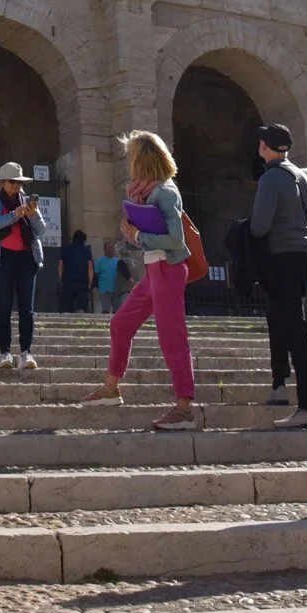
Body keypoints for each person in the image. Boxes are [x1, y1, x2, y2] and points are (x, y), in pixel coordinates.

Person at [78, 130, 199, 432]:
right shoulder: (145, 191)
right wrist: (131, 233)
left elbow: (174, 238)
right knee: (119, 324)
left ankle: (184, 409)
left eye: (131, 155)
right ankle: (111, 388)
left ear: (142, 159)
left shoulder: (166, 193)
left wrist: (138, 235)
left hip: (168, 271)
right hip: (154, 271)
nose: (128, 161)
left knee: (172, 338)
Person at [250, 123, 307, 429]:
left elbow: (259, 227)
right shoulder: (303, 177)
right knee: (292, 326)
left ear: (264, 146)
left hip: (281, 258)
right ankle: (293, 393)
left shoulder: (270, 178)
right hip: (302, 258)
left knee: (294, 331)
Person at [0, 163, 46, 369]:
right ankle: (5, 353)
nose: (16, 186)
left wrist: (31, 214)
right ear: (2, 183)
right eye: (12, 182)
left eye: (19, 182)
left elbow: (41, 230)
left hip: (27, 258)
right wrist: (14, 215)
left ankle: (26, 353)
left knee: (27, 308)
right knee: (4, 306)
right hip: (3, 258)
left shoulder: (28, 202)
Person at [60, 229, 95, 314]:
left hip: (68, 280)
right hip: (82, 281)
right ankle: (81, 323)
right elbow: (90, 267)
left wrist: (61, 280)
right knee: (81, 307)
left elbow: (60, 266)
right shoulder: (86, 250)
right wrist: (90, 283)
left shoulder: (65, 249)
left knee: (67, 307)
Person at [92, 241, 123, 313]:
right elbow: (96, 275)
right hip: (105, 290)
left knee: (117, 311)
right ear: (104, 249)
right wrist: (99, 286)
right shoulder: (99, 262)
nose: (111, 250)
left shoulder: (118, 261)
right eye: (109, 248)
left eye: (112, 248)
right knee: (105, 311)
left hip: (116, 290)